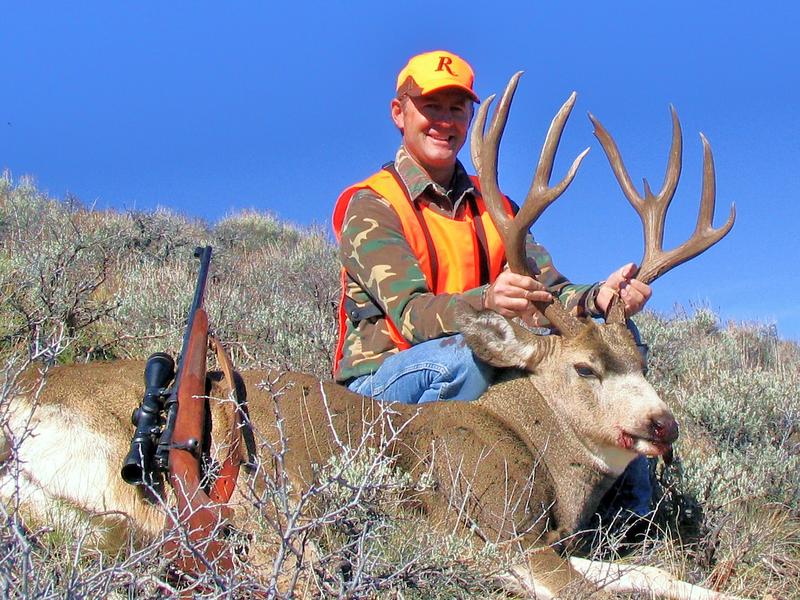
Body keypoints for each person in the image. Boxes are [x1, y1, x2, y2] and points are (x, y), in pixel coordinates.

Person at [332, 50, 652, 404]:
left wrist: (599, 297)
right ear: (399, 113)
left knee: (617, 342)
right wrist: (488, 301)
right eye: (431, 106)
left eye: (456, 109)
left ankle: (618, 458)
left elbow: (547, 292)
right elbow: (410, 315)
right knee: (470, 357)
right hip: (382, 385)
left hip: (479, 352)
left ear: (469, 116)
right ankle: (427, 459)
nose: (444, 121)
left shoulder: (497, 208)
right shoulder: (374, 204)